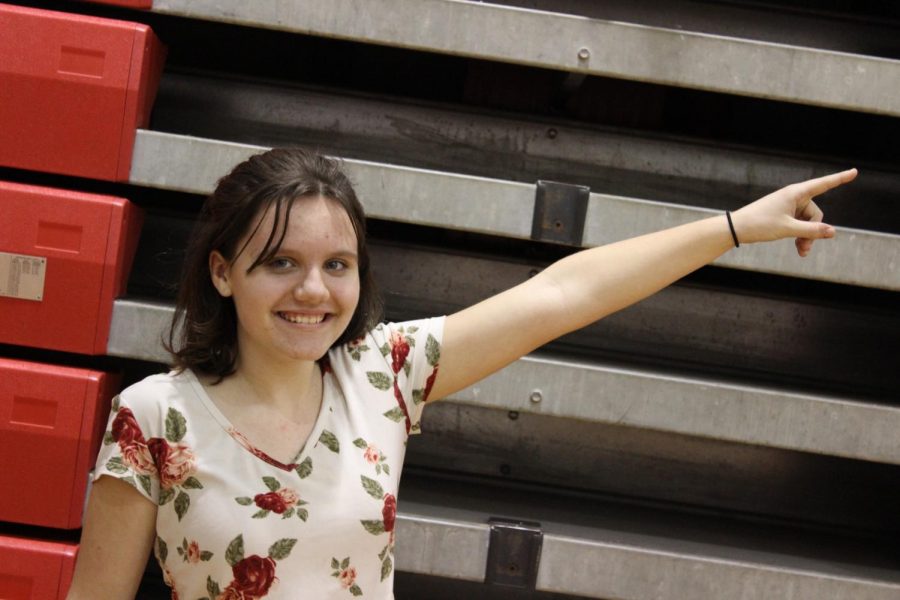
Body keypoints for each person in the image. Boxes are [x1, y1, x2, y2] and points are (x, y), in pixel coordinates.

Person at [66, 147, 856, 599]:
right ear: (222, 272)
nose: (314, 291)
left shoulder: (384, 373)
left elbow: (564, 292)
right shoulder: (154, 419)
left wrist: (730, 229)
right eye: (280, 263)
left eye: (336, 264)